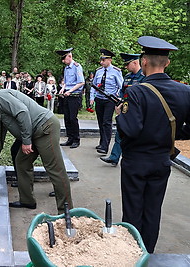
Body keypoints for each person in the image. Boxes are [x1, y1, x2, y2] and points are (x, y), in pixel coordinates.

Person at [115, 36, 190, 253]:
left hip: (136, 162)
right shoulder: (185, 91)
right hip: (161, 161)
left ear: (144, 62)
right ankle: (148, 253)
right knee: (153, 211)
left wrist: (120, 115)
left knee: (132, 211)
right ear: (167, 63)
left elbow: (131, 129)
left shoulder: (136, 91)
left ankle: (131, 254)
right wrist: (171, 135)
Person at [0, 81, 73, 214]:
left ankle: (66, 212)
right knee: (21, 162)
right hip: (34, 132)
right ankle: (27, 201)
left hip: (45, 128)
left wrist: (26, 141)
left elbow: (22, 112)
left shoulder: (1, 97)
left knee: (55, 169)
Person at [100, 53, 145, 166]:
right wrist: (119, 101)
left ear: (135, 62)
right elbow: (122, 91)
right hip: (125, 110)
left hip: (138, 112)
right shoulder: (127, 77)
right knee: (120, 132)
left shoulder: (144, 77)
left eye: (127, 64)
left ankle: (135, 160)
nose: (126, 67)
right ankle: (114, 157)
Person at [90, 49, 124, 154]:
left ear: (109, 60)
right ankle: (102, 142)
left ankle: (105, 146)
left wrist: (117, 97)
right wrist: (92, 97)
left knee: (106, 122)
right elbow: (93, 85)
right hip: (99, 99)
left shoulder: (116, 72)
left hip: (110, 100)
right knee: (100, 122)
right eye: (101, 60)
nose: (101, 62)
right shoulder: (99, 71)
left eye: (103, 60)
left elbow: (121, 86)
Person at [57, 48, 85, 149]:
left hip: (74, 96)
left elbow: (81, 82)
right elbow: (66, 82)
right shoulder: (66, 68)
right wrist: (62, 89)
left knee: (73, 118)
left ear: (70, 56)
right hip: (66, 95)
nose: (63, 61)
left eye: (64, 58)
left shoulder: (77, 67)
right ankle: (70, 138)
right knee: (67, 118)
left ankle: (76, 140)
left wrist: (70, 91)